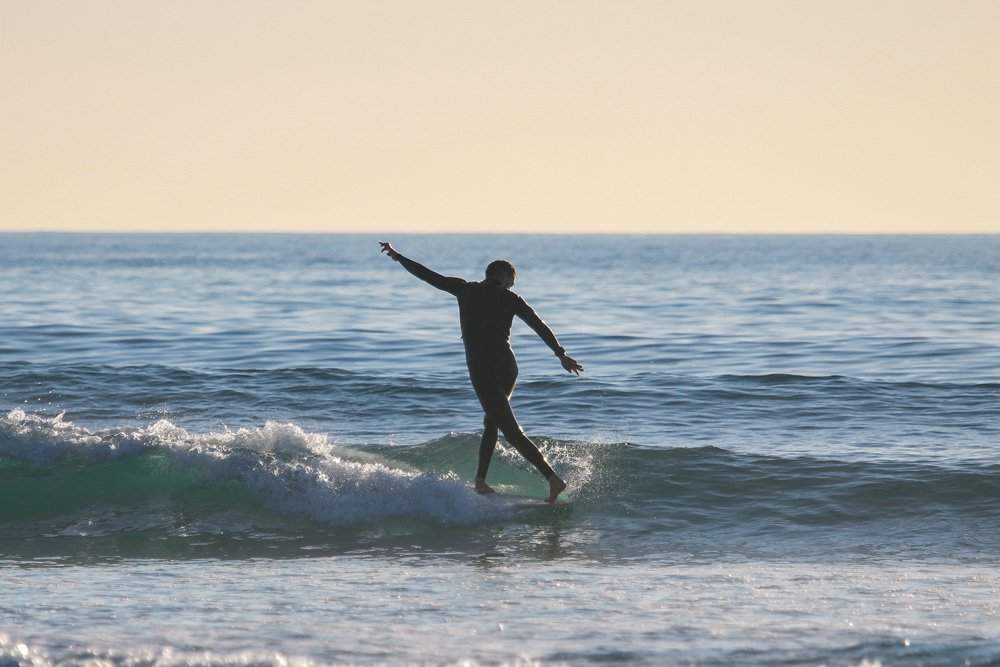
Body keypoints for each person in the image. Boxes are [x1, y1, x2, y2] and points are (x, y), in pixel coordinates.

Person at [379, 241, 583, 503]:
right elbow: (538, 325)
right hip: (507, 366)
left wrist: (397, 256)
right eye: (512, 280)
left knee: (509, 430)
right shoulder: (511, 299)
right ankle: (480, 481)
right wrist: (560, 354)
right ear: (504, 275)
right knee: (492, 421)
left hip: (482, 367)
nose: (512, 285)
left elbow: (428, 275)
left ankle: (552, 478)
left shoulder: (465, 289)